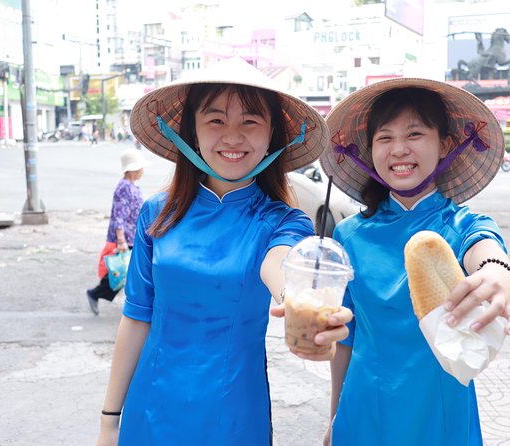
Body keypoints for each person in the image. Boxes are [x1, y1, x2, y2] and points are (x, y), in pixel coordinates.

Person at [95, 57, 353, 446]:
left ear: (272, 137)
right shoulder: (156, 213)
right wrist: (109, 422)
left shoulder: (283, 221)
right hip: (149, 409)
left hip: (233, 414)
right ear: (193, 132)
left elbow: (281, 265)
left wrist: (300, 301)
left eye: (250, 122)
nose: (233, 136)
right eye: (216, 120)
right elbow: (135, 319)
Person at [319, 79, 510, 445]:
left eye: (415, 134)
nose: (399, 149)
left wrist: (497, 274)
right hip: (364, 406)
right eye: (385, 137)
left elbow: (487, 251)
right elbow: (345, 338)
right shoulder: (348, 234)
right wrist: (334, 414)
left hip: (439, 411)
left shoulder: (463, 225)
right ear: (370, 151)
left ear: (443, 145)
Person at [86, 148, 148, 315]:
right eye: (141, 167)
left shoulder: (130, 186)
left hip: (132, 237)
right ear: (134, 168)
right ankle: (95, 293)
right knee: (121, 272)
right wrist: (120, 240)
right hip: (125, 238)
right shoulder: (124, 187)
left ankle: (100, 294)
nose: (143, 170)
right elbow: (119, 215)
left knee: (124, 272)